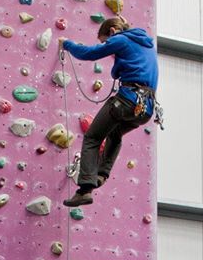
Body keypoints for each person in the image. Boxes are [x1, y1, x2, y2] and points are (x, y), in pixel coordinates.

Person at [59, 16, 159, 208]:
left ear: (112, 32)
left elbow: (89, 53)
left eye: (106, 41)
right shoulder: (145, 44)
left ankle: (84, 190)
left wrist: (67, 45)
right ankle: (102, 175)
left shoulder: (120, 39)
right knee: (114, 133)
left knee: (92, 137)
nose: (108, 47)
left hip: (127, 100)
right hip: (146, 109)